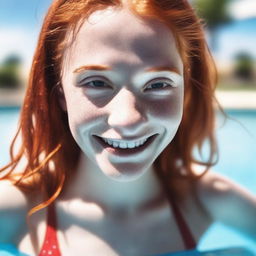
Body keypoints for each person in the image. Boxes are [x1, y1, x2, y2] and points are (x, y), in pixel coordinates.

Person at [0, 0, 255, 255]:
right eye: (97, 82)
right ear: (60, 93)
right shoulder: (15, 211)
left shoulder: (207, 199)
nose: (127, 120)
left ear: (185, 91)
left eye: (158, 84)